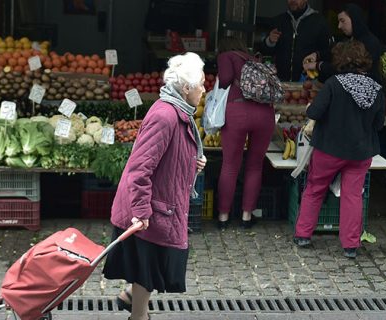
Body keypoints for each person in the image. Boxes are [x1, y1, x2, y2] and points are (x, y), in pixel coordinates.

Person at [103, 52, 207, 320]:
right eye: (201, 84)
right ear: (185, 88)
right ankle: (138, 317)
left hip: (161, 207)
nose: (204, 89)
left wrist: (191, 162)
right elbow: (140, 168)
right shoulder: (166, 116)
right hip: (150, 209)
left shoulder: (178, 112)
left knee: (148, 266)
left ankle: (132, 301)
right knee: (147, 267)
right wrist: (140, 211)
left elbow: (167, 158)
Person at [292, 40, 385, 259]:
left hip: (330, 148)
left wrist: (310, 109)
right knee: (353, 195)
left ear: (340, 60)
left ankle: (303, 234)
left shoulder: (334, 83)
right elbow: (379, 124)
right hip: (361, 151)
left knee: (315, 188)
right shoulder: (377, 88)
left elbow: (315, 112)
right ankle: (351, 246)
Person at [215, 37, 275, 230]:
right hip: (265, 114)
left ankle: (223, 216)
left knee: (230, 165)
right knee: (255, 166)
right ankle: (246, 216)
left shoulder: (226, 56)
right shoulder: (255, 61)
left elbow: (224, 80)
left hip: (238, 112)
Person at [303, 3, 383, 82]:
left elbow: (346, 70)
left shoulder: (371, 43)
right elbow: (333, 53)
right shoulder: (348, 39)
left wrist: (318, 65)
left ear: (354, 19)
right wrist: (317, 55)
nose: (339, 26)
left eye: (342, 21)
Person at [260, 0, 331, 82]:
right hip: (280, 83)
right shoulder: (278, 21)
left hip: (308, 84)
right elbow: (264, 53)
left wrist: (316, 55)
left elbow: (328, 53)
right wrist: (270, 41)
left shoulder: (319, 22)